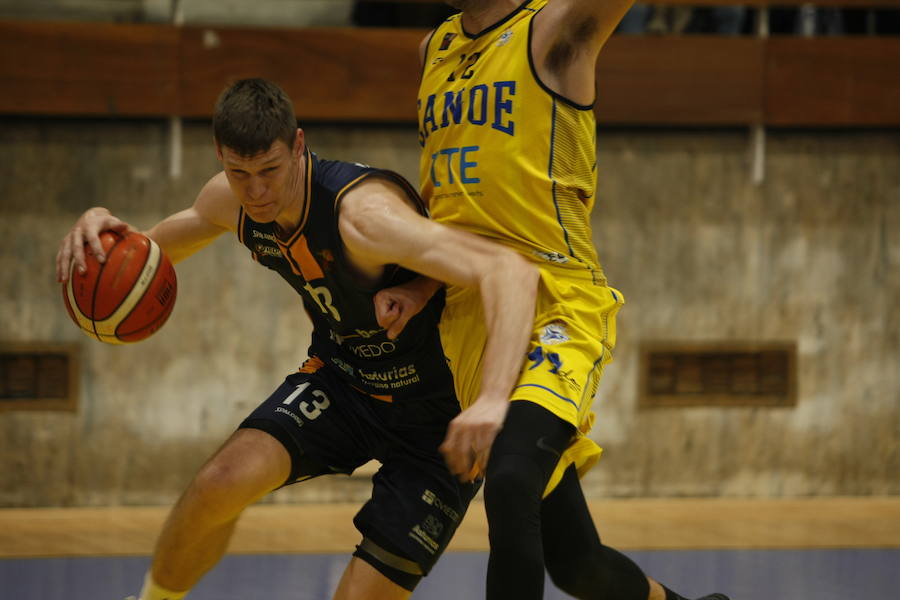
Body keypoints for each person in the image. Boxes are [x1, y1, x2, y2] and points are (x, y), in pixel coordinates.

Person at [55, 78, 540, 600]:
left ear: (299, 146)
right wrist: (104, 232)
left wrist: (492, 399)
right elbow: (145, 259)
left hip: (438, 413)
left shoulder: (363, 217)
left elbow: (508, 271)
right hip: (344, 383)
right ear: (220, 157)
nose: (257, 191)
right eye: (240, 173)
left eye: (270, 170)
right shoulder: (230, 201)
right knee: (219, 482)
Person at [377, 1, 732, 599]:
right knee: (576, 563)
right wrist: (420, 285)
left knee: (512, 479)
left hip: (555, 299)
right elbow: (451, 203)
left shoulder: (554, 29)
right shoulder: (431, 50)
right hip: (471, 323)